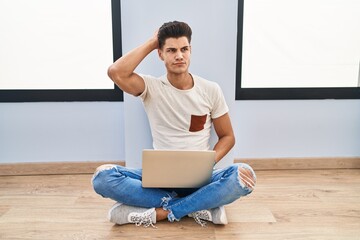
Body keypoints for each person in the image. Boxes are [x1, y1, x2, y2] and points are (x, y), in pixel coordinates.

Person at [92, 21, 256, 227]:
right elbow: (116, 72)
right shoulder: (151, 87)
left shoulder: (210, 89)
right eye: (171, 50)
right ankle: (200, 206)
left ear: (190, 50)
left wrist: (209, 162)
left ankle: (161, 212)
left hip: (201, 178)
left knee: (244, 174)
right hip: (160, 179)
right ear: (160, 54)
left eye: (184, 49)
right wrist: (153, 42)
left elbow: (228, 136)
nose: (179, 56)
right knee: (102, 178)